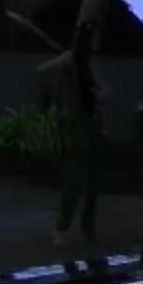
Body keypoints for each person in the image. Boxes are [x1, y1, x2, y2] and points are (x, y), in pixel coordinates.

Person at [38, 31, 106, 251]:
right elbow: (44, 71)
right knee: (75, 178)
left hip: (90, 122)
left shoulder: (89, 63)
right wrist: (61, 100)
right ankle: (62, 228)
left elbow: (100, 86)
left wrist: (100, 93)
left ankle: (87, 229)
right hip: (76, 124)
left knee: (92, 181)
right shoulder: (71, 60)